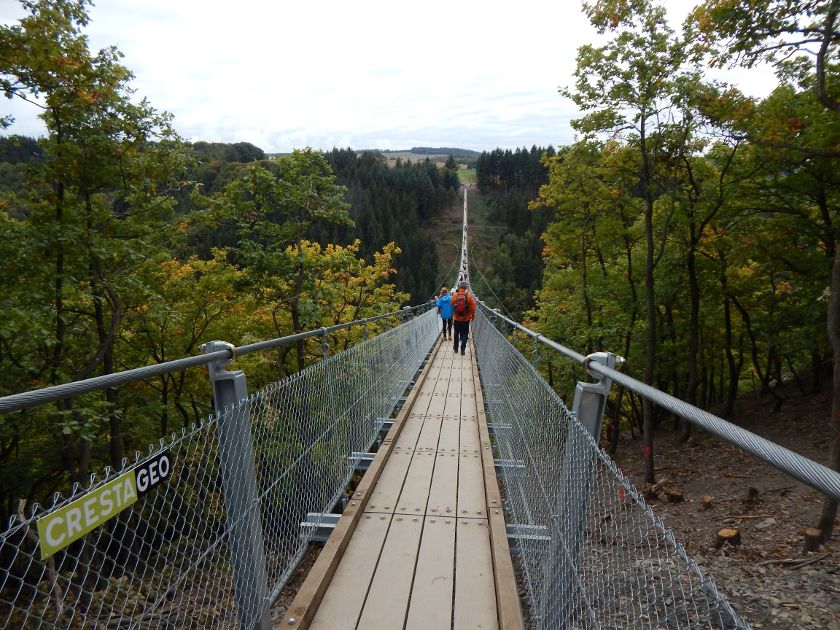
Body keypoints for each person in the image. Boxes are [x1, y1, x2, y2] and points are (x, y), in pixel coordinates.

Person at [450, 281, 476, 355]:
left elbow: (451, 304)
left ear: (459, 287)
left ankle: (455, 348)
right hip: (466, 319)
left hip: (456, 318)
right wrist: (472, 316)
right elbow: (472, 308)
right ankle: (462, 350)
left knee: (456, 333)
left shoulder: (455, 294)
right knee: (465, 334)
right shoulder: (469, 296)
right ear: (466, 288)